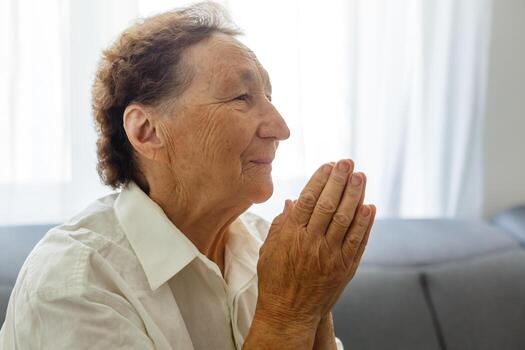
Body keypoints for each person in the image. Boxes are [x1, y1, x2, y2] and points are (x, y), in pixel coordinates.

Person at [0, 2, 376, 349]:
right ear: (146, 131)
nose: (279, 127)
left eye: (269, 98)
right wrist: (287, 312)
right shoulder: (74, 283)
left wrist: (315, 302)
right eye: (241, 97)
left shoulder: (269, 247)